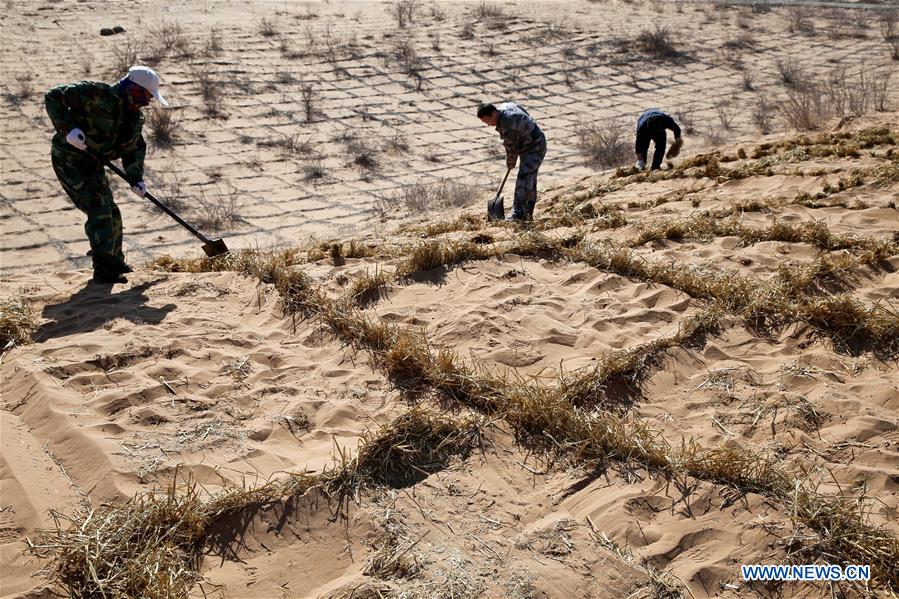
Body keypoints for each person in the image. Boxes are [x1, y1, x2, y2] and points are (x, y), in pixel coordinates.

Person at [45, 66, 168, 284]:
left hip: (93, 164)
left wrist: (135, 178)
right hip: (69, 160)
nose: (146, 103)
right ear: (132, 88)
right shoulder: (94, 93)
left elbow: (134, 148)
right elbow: (53, 96)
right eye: (144, 96)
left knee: (112, 212)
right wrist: (68, 128)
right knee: (98, 208)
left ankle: (115, 261)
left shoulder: (133, 118)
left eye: (149, 98)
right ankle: (103, 269)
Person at [477, 102, 547, 221]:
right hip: (531, 143)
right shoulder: (506, 106)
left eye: (488, 121)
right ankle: (527, 213)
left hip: (535, 147)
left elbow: (511, 148)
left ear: (494, 113)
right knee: (529, 179)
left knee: (523, 179)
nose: (488, 125)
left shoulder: (508, 122)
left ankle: (519, 215)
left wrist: (510, 163)